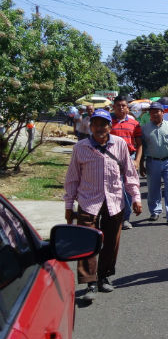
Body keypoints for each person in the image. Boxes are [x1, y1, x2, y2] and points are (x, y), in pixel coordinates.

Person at [63, 109, 142, 301]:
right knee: (87, 241)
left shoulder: (120, 144)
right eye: (96, 124)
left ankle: (103, 276)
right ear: (90, 127)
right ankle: (90, 282)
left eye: (103, 124)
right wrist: (68, 205)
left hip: (114, 201)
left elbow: (129, 174)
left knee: (111, 241)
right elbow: (72, 178)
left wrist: (136, 197)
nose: (99, 128)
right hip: (88, 202)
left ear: (110, 126)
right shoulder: (80, 148)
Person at [140, 102, 168, 226]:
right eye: (152, 112)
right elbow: (142, 148)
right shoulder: (144, 129)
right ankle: (155, 211)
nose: (154, 114)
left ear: (162, 112)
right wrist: (141, 164)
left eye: (157, 111)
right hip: (152, 161)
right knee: (153, 188)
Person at [111, 95, 143, 230]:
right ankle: (112, 216)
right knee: (113, 188)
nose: (121, 108)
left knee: (129, 189)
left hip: (130, 158)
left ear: (127, 108)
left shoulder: (134, 124)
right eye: (118, 106)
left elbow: (140, 144)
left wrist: (137, 161)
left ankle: (125, 218)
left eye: (123, 105)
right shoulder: (107, 122)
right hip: (111, 160)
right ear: (114, 107)